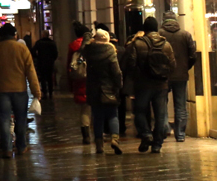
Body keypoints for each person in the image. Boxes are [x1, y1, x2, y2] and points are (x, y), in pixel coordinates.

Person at [0, 23, 42, 158]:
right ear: (14, 35)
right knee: (21, 118)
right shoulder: (22, 49)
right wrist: (36, 91)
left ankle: (6, 149)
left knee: (4, 119)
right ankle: (21, 146)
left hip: (1, 89)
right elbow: (31, 72)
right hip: (20, 89)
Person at [126, 16, 176, 153]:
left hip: (143, 85)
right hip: (161, 85)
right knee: (160, 115)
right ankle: (157, 145)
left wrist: (136, 77)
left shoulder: (137, 44)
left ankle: (146, 134)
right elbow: (173, 65)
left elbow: (130, 64)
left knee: (140, 111)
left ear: (144, 28)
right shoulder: (166, 44)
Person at [81, 29, 123, 155]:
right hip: (109, 88)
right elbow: (116, 72)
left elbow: (83, 47)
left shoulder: (89, 50)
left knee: (97, 117)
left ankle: (99, 145)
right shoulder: (110, 51)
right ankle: (115, 139)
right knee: (112, 115)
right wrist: (118, 86)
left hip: (94, 89)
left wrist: (87, 35)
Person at [159, 11, 197, 142]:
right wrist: (185, 67)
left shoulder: (160, 34)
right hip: (181, 75)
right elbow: (193, 56)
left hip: (163, 75)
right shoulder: (185, 35)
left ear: (163, 21)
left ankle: (164, 130)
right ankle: (180, 134)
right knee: (180, 105)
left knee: (162, 103)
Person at [67, 21, 91, 144]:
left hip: (80, 80)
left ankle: (86, 135)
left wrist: (70, 83)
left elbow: (69, 66)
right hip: (93, 79)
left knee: (84, 110)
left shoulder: (73, 46)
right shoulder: (93, 44)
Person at [33, 33, 58, 100]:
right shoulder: (52, 43)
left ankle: (44, 92)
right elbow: (55, 53)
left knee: (43, 78)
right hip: (50, 63)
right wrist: (52, 59)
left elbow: (33, 51)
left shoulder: (39, 43)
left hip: (41, 62)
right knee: (50, 78)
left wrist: (37, 57)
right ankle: (50, 92)